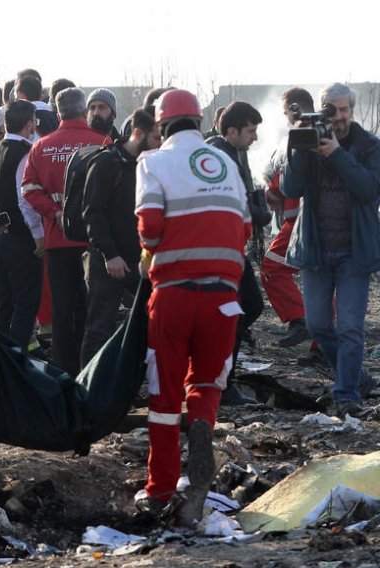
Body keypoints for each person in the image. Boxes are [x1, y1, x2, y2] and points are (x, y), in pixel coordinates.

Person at [135, 89, 250, 526]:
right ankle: (201, 420)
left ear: (162, 125)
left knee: (164, 397)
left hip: (174, 295)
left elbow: (150, 224)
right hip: (223, 296)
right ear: (199, 123)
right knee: (207, 382)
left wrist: (150, 251)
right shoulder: (226, 163)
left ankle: (161, 488)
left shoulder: (153, 162)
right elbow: (245, 224)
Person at [282, 82, 380, 417]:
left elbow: (368, 190)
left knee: (351, 327)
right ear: (323, 108)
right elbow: (290, 188)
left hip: (355, 251)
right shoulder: (307, 141)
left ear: (351, 111)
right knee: (318, 325)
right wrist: (296, 147)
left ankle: (346, 394)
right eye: (332, 110)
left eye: (344, 110)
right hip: (316, 248)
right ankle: (358, 378)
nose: (337, 117)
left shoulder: (369, 146)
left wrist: (336, 153)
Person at [22, 87, 111, 377]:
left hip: (56, 240)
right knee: (90, 310)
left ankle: (63, 372)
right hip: (92, 241)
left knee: (61, 310)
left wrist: (55, 213)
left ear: (57, 112)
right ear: (85, 110)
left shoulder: (41, 146)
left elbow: (29, 190)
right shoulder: (102, 142)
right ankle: (91, 372)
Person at [80, 108, 161, 365]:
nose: (161, 144)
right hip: (108, 261)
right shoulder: (107, 163)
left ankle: (129, 384)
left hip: (142, 260)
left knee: (152, 321)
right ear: (138, 133)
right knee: (98, 328)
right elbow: (92, 213)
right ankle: (88, 394)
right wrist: (109, 254)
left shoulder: (152, 165)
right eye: (157, 138)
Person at [206, 102, 265, 406]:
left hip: (229, 248)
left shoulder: (227, 153)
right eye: (250, 131)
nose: (254, 138)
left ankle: (222, 377)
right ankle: (222, 382)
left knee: (247, 308)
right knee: (240, 310)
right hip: (223, 250)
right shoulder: (220, 157)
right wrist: (258, 212)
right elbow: (232, 202)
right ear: (232, 131)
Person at [261, 88, 316, 349]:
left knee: (272, 268)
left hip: (301, 222)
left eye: (286, 113)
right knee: (322, 277)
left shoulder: (297, 139)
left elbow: (284, 184)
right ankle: (321, 344)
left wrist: (270, 192)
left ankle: (300, 319)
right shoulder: (332, 135)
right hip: (326, 221)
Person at [0, 100, 44, 349]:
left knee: (5, 302)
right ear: (29, 124)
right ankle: (17, 361)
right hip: (21, 237)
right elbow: (26, 200)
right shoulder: (25, 152)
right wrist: (39, 235)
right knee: (26, 303)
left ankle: (1, 357)